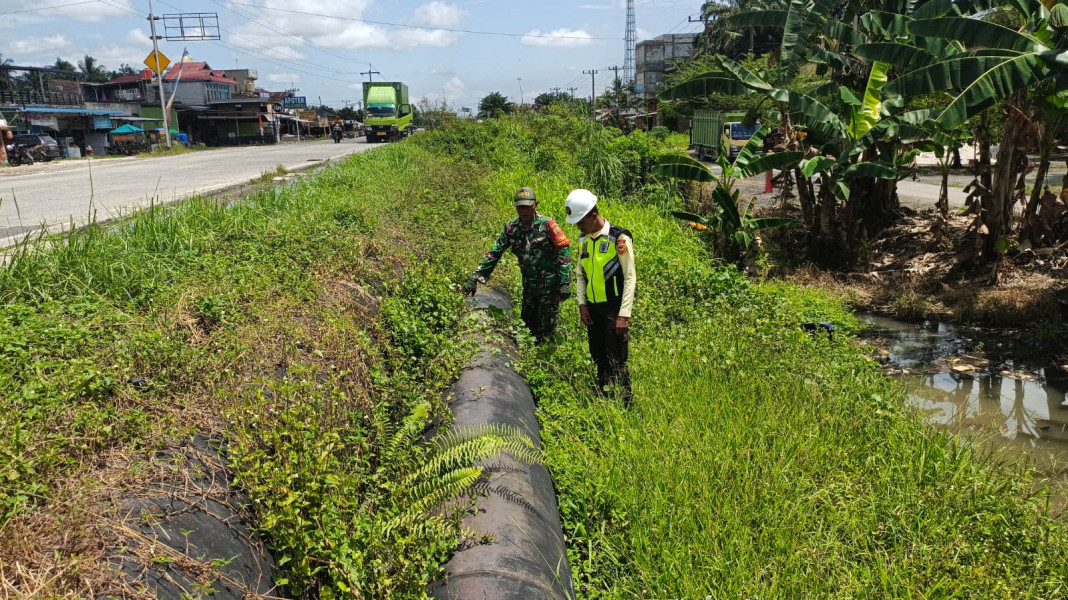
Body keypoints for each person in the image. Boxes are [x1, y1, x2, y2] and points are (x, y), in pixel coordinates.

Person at [462, 187, 572, 339]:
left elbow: (564, 251)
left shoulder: (548, 225)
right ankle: (528, 356)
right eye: (520, 207)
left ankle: (545, 355)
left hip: (549, 286)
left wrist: (565, 281)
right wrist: (476, 276)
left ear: (536, 204)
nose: (524, 211)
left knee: (546, 329)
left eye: (527, 207)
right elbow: (495, 253)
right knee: (526, 326)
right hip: (529, 286)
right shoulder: (511, 228)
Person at [565, 189, 635, 407]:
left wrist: (623, 315)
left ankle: (625, 401)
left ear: (592, 215)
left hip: (613, 308)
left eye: (581, 222)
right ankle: (604, 396)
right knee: (598, 355)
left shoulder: (618, 238)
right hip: (593, 309)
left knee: (616, 357)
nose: (578, 226)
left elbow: (630, 277)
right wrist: (582, 304)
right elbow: (579, 274)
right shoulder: (584, 240)